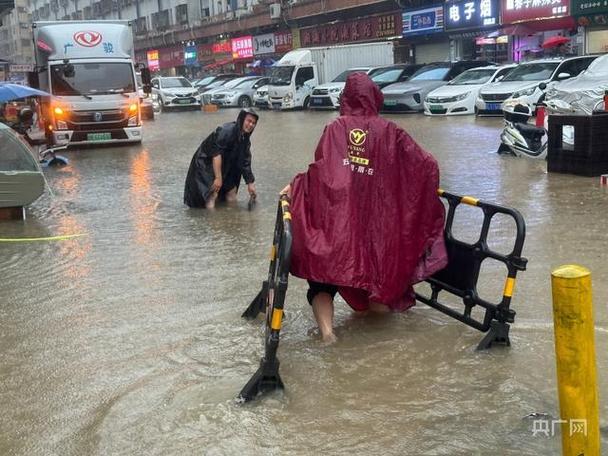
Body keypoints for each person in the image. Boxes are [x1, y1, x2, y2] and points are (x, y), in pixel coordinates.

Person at [281, 72, 447, 343]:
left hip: (337, 224)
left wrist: (296, 184)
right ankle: (378, 340)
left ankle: (328, 334)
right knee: (378, 278)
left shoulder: (335, 128)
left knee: (322, 280)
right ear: (374, 97)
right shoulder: (390, 131)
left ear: (345, 98)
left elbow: (320, 171)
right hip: (376, 226)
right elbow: (426, 164)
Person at [184, 108, 258, 208]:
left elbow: (245, 162)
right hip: (206, 164)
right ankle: (214, 220)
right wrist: (218, 178)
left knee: (231, 191)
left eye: (253, 123)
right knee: (212, 193)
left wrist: (250, 183)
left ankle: (231, 218)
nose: (250, 125)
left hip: (225, 166)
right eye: (249, 121)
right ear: (242, 119)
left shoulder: (245, 140)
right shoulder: (226, 131)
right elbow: (216, 154)